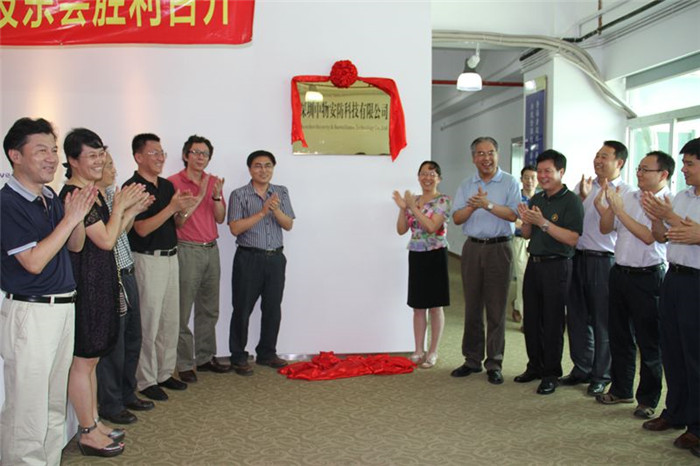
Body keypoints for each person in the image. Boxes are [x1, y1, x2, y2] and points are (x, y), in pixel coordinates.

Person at [1, 117, 95, 465]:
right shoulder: (8, 203)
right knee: (27, 409)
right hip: (32, 313)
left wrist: (77, 216)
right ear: (15, 155)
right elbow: (34, 262)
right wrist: (69, 219)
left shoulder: (50, 197)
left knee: (54, 404)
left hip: (61, 308)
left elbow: (74, 245)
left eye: (53, 150)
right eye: (41, 150)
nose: (52, 158)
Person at [59, 128, 148, 457]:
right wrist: (121, 205)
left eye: (102, 155)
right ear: (73, 161)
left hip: (101, 282)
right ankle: (87, 432)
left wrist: (127, 210)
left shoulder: (92, 193)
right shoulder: (74, 194)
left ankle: (94, 422)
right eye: (92, 156)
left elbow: (111, 235)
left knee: (92, 360)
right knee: (83, 362)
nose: (99, 161)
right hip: (86, 286)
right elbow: (108, 241)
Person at [594, 151, 674, 419]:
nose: (639, 173)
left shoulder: (668, 201)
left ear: (663, 174)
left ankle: (648, 399)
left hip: (648, 276)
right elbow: (606, 229)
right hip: (620, 273)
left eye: (645, 170)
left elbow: (649, 237)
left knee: (649, 341)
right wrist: (608, 206)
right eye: (638, 168)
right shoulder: (628, 195)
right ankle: (621, 389)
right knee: (619, 336)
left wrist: (618, 210)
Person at [124, 133, 197, 401]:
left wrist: (183, 209)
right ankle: (146, 379)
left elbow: (176, 224)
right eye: (154, 153)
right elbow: (141, 229)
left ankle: (165, 373)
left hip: (170, 258)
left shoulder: (166, 186)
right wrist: (171, 207)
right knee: (149, 321)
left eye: (162, 152)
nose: (160, 157)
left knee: (169, 320)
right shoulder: (133, 188)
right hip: (147, 259)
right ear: (138, 157)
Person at [641, 138, 700, 457]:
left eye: (690, 163)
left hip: (696, 283)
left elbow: (693, 232)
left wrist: (670, 216)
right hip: (674, 277)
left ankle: (697, 426)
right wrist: (656, 216)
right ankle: (676, 412)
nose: (685, 170)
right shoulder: (681, 196)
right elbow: (660, 237)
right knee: (672, 350)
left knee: (695, 355)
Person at [563, 141, 631, 397]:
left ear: (619, 162)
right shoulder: (585, 187)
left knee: (602, 321)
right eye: (597, 156)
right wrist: (581, 198)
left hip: (604, 261)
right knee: (577, 318)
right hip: (578, 257)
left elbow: (616, 227)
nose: (598, 161)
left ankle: (601, 375)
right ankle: (582, 368)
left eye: (604, 157)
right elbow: (571, 220)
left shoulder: (626, 193)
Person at [450, 136, 520, 385]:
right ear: (473, 158)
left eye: (490, 152)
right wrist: (473, 206)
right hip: (472, 249)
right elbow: (457, 218)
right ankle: (472, 359)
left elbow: (513, 214)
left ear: (497, 155)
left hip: (499, 248)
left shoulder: (510, 182)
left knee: (496, 308)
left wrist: (487, 204)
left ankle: (494, 363)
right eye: (480, 153)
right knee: (472, 307)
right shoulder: (467, 184)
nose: (486, 158)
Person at [514, 150, 584, 395]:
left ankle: (551, 373)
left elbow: (572, 238)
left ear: (561, 172)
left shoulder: (571, 201)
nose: (542, 176)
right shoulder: (537, 198)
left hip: (558, 265)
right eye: (540, 171)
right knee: (531, 319)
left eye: (548, 171)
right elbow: (526, 234)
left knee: (552, 321)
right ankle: (534, 366)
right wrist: (526, 220)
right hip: (534, 263)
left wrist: (543, 222)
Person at [97, 152, 156, 425]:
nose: (113, 170)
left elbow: (122, 231)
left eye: (111, 164)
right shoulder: (92, 199)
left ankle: (127, 393)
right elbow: (107, 237)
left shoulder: (112, 195)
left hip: (127, 270)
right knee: (114, 343)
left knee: (133, 337)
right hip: (111, 276)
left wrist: (131, 211)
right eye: (108, 165)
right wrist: (126, 210)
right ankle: (111, 403)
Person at [168, 135, 229, 383]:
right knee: (182, 310)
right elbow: (177, 222)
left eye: (205, 154)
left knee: (209, 308)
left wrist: (215, 196)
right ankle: (184, 363)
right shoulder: (173, 182)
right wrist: (198, 196)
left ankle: (205, 357)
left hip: (211, 249)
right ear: (186, 155)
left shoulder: (214, 181)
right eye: (195, 152)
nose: (200, 157)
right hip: (187, 249)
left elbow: (220, 218)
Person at [228, 150, 295, 376]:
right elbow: (235, 228)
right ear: (250, 169)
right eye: (258, 166)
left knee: (272, 308)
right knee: (242, 309)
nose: (263, 170)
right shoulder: (239, 194)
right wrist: (263, 211)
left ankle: (267, 353)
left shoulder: (281, 192)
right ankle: (238, 356)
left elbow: (288, 225)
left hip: (275, 258)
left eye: (268, 166)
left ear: (273, 168)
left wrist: (275, 211)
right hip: (249, 258)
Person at [393, 161, 451, 369]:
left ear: (439, 178)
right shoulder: (414, 200)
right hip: (416, 254)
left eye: (432, 174)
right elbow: (401, 230)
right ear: (418, 177)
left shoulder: (443, 200)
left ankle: (432, 351)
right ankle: (418, 349)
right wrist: (403, 210)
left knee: (435, 306)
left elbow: (431, 226)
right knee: (418, 307)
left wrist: (412, 207)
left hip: (436, 254)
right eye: (424, 174)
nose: (427, 178)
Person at [512, 165, 538, 324]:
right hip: (520, 241)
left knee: (535, 279)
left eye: (533, 178)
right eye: (526, 178)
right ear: (521, 180)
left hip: (538, 242)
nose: (530, 181)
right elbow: (513, 221)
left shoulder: (541, 199)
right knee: (523, 277)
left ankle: (517, 305)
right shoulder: (516, 199)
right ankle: (525, 318)